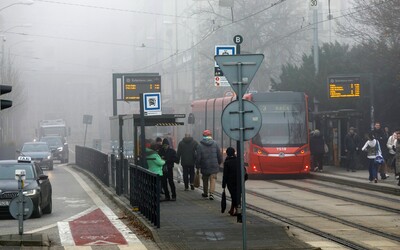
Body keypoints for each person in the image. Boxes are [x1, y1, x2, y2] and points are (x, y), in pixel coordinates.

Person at [196, 129, 222, 200]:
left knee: (205, 179)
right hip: (214, 165)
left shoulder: (200, 145)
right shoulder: (215, 144)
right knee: (213, 179)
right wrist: (219, 162)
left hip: (205, 165)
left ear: (203, 136)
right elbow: (219, 155)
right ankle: (211, 193)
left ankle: (205, 193)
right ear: (210, 135)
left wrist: (198, 166)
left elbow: (198, 157)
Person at [222, 147, 247, 216]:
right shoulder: (239, 161)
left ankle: (238, 210)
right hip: (239, 181)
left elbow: (225, 175)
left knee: (233, 196)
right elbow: (244, 171)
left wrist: (223, 184)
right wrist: (244, 179)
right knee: (237, 195)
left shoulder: (227, 162)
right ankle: (232, 209)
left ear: (227, 153)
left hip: (231, 182)